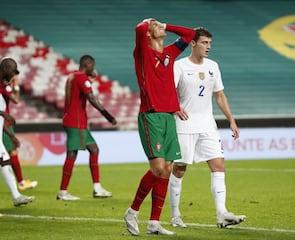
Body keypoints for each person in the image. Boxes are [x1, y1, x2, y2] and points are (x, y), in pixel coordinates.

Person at [168, 27, 246, 229]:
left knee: (219, 166)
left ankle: (222, 213)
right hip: (184, 126)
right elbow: (169, 91)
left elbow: (219, 94)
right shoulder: (180, 66)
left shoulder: (213, 66)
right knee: (179, 169)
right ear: (192, 43)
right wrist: (175, 108)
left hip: (208, 125)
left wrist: (231, 119)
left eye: (210, 43)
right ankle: (175, 215)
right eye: (204, 43)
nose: (208, 47)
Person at [124, 18, 195, 236]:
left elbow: (190, 33)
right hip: (151, 117)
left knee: (166, 170)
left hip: (169, 118)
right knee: (157, 168)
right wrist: (147, 22)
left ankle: (154, 222)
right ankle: (132, 211)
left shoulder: (169, 54)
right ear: (148, 33)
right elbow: (138, 28)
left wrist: (166, 25)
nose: (159, 26)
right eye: (155, 25)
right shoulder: (143, 52)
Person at [57, 54, 117, 201]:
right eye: (92, 65)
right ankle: (63, 192)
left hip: (74, 121)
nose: (93, 68)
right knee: (72, 154)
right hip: (75, 122)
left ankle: (97, 188)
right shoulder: (81, 78)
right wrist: (108, 116)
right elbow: (91, 98)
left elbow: (80, 90)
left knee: (94, 149)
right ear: (87, 64)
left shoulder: (73, 76)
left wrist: (90, 79)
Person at [0, 57, 34, 206]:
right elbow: (15, 100)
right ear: (6, 69)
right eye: (13, 72)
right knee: (5, 160)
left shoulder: (3, 85)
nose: (14, 76)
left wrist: (11, 135)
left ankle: (16, 196)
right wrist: (4, 114)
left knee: (5, 161)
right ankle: (16, 195)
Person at [2, 73, 38, 190]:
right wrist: (16, 86)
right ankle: (21, 183)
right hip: (4, 123)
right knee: (11, 153)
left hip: (4, 122)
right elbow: (16, 100)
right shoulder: (5, 87)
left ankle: (21, 182)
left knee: (9, 154)